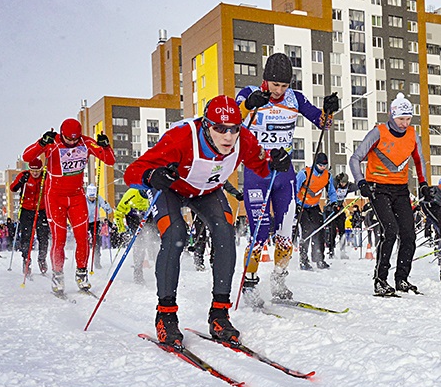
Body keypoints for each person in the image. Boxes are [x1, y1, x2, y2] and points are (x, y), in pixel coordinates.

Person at [123, 95, 290, 347]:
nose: (228, 137)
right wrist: (150, 176)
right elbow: (131, 173)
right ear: (205, 125)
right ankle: (166, 316)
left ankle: (219, 315)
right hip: (171, 189)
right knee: (176, 235)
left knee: (225, 232)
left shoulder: (243, 139)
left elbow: (262, 166)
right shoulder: (180, 138)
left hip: (206, 191)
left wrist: (277, 162)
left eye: (233, 129)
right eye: (219, 129)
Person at [235, 52, 339, 307]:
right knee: (259, 232)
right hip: (256, 172)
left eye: (284, 85)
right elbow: (232, 121)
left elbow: (322, 123)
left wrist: (329, 110)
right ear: (265, 80)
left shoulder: (295, 98)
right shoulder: (248, 92)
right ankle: (249, 282)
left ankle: (279, 279)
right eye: (275, 85)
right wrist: (249, 105)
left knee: (285, 232)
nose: (279, 90)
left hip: (284, 173)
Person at [22, 118, 116, 294]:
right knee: (60, 239)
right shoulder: (53, 142)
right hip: (55, 197)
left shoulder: (85, 142)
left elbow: (109, 160)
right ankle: (57, 275)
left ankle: (81, 273)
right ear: (62, 134)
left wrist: (105, 146)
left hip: (76, 197)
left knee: (83, 238)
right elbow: (27, 156)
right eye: (68, 139)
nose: (72, 143)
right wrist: (41, 143)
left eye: (75, 139)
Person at [350, 93, 429, 296]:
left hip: (401, 189)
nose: (404, 123)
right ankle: (380, 279)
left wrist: (424, 184)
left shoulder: (412, 134)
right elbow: (355, 158)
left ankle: (402, 278)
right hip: (378, 189)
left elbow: (420, 160)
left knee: (409, 234)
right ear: (392, 116)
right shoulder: (379, 132)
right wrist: (361, 182)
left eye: (408, 119)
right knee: (390, 230)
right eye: (401, 119)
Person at [295, 152, 338, 271]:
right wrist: (295, 205)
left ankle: (319, 258)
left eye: (325, 166)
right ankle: (303, 260)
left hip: (314, 206)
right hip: (302, 206)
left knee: (320, 230)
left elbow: (331, 191)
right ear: (315, 164)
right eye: (320, 165)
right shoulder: (304, 174)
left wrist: (334, 202)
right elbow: (294, 189)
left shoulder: (327, 176)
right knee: (307, 230)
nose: (322, 168)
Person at [9, 158, 50, 274]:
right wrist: (21, 182)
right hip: (26, 210)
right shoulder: (25, 175)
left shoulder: (45, 176)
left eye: (37, 170)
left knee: (43, 236)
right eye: (33, 170)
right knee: (26, 237)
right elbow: (13, 188)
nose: (35, 173)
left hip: (41, 210)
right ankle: (26, 260)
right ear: (29, 169)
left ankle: (42, 259)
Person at [114, 186, 152, 282]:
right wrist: (122, 230)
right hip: (133, 217)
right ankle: (138, 272)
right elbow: (118, 213)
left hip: (147, 215)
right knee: (140, 242)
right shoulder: (131, 193)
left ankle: (160, 271)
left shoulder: (153, 194)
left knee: (154, 239)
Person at [327, 173, 355, 259]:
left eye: (345, 183)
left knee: (342, 231)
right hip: (331, 208)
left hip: (340, 209)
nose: (343, 184)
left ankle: (342, 251)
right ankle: (331, 251)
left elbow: (357, 186)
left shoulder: (349, 186)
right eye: (342, 182)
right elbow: (330, 182)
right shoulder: (335, 184)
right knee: (333, 232)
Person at [85, 184, 113, 269]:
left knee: (96, 242)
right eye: (90, 197)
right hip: (85, 222)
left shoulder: (98, 198)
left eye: (93, 197)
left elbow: (108, 209)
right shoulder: (83, 199)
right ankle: (83, 262)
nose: (92, 199)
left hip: (95, 222)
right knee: (83, 242)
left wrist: (107, 207)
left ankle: (97, 261)